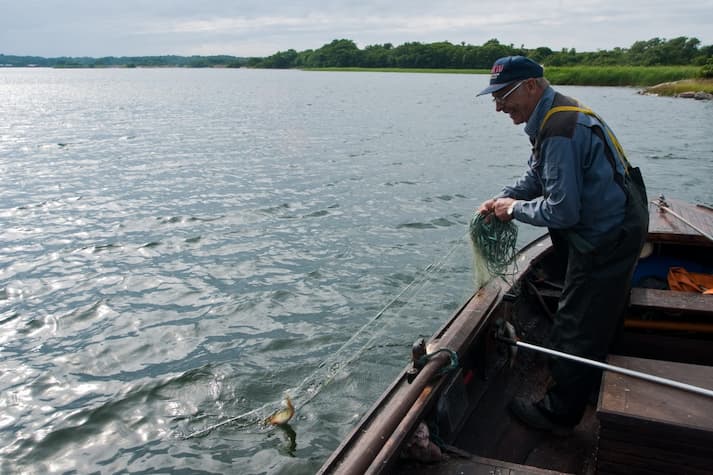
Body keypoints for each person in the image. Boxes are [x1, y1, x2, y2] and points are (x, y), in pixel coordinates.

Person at [476, 56, 649, 434]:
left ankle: (559, 413)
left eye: (504, 95)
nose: (498, 106)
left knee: (575, 322)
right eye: (495, 97)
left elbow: (562, 211)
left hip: (607, 234)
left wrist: (513, 210)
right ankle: (594, 380)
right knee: (602, 309)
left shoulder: (559, 129)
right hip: (623, 221)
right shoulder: (557, 113)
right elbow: (539, 174)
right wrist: (504, 197)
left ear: (533, 86)